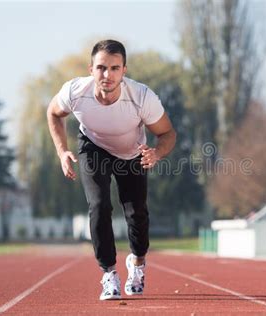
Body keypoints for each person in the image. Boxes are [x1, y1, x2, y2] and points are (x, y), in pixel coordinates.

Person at [46, 39, 176, 300]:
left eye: (115, 68)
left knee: (136, 212)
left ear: (124, 70)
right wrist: (62, 151)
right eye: (101, 68)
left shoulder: (142, 97)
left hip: (132, 153)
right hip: (94, 148)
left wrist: (157, 153)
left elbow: (168, 133)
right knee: (99, 204)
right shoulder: (75, 91)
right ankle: (109, 274)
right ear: (91, 69)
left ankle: (137, 263)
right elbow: (53, 113)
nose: (107, 75)